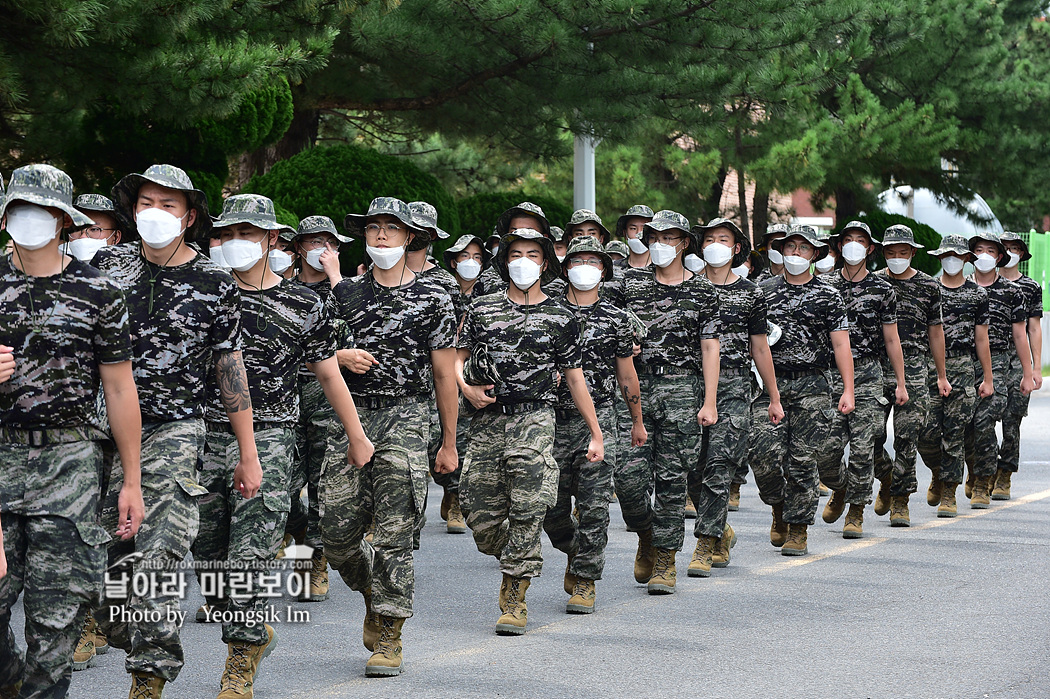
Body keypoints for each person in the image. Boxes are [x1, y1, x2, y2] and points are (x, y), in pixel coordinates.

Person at [193, 194, 373, 695]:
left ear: (273, 240)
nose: (234, 244)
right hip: (200, 435)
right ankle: (250, 627)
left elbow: (329, 374)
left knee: (250, 557)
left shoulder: (303, 303)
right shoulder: (203, 291)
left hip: (271, 436)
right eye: (226, 235)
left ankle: (242, 657)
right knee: (209, 555)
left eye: (247, 234)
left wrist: (356, 436)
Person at [93, 164, 256, 698]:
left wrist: (247, 453)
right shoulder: (107, 270)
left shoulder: (214, 282)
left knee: (159, 555)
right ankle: (125, 635)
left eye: (168, 205)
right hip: (98, 435)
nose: (155, 214)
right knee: (102, 567)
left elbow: (229, 369)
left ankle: (149, 678)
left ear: (188, 217)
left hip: (174, 432)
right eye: (146, 203)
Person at [0, 164, 144, 697]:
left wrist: (131, 481)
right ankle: (9, 676)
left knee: (57, 612)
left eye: (39, 208)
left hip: (71, 462)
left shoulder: (98, 291)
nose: (27, 218)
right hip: (1, 456)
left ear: (63, 218)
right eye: (17, 208)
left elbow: (121, 389)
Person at [324, 197, 459, 676]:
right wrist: (340, 356)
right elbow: (309, 352)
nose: (381, 237)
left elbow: (445, 375)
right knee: (336, 535)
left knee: (396, 531)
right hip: (351, 415)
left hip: (407, 414)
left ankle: (390, 631)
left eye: (391, 230)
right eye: (373, 228)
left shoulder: (434, 297)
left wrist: (448, 441)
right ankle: (371, 593)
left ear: (410, 238)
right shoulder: (340, 294)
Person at [457, 227, 603, 633]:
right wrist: (465, 387)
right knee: (479, 516)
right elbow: (457, 358)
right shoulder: (482, 309)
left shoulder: (561, 316)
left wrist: (595, 432)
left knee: (528, 505)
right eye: (516, 253)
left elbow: (575, 379)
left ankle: (515, 596)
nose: (523, 261)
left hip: (535, 417)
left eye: (533, 255)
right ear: (504, 260)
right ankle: (533, 553)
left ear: (544, 263)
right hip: (487, 420)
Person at [543, 235, 645, 613]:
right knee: (550, 506)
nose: (584, 267)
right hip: (550, 418)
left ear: (603, 269)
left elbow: (627, 375)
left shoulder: (617, 318)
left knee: (594, 504)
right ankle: (572, 549)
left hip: (600, 418)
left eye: (593, 260)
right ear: (565, 267)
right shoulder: (548, 311)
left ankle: (586, 580)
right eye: (577, 260)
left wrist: (636, 421)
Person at [620, 210, 720, 592]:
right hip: (635, 390)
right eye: (655, 236)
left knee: (672, 480)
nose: (660, 243)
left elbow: (710, 348)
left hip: (682, 389)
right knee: (628, 478)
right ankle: (645, 533)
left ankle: (664, 558)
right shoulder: (630, 284)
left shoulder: (702, 291)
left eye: (669, 237)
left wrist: (709, 401)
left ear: (683, 243)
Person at [750, 225, 854, 556]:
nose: (796, 253)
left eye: (803, 248)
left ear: (815, 254)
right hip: (771, 384)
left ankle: (797, 528)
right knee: (764, 455)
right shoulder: (762, 291)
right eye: (791, 247)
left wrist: (848, 389)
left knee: (803, 459)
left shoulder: (829, 295)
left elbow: (841, 345)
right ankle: (778, 507)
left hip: (813, 385)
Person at [686, 218, 781, 575]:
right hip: (691, 386)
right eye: (709, 239)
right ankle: (721, 529)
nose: (714, 245)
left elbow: (760, 347)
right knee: (692, 467)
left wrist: (773, 396)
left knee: (719, 465)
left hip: (735, 387)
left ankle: (705, 542)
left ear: (736, 247)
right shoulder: (689, 289)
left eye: (722, 239)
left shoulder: (750, 293)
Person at [820, 222, 908, 539]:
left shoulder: (883, 290)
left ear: (870, 249)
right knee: (825, 453)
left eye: (861, 240)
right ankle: (841, 489)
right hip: (828, 375)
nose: (854, 245)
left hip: (869, 374)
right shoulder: (823, 286)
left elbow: (892, 339)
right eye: (848, 240)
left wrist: (900, 382)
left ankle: (856, 511)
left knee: (862, 448)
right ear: (839, 246)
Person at [285, 215, 352, 602]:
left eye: (328, 242)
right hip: (285, 397)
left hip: (327, 401)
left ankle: (311, 562)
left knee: (322, 486)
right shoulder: (283, 290)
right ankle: (294, 532)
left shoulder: (346, 293)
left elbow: (362, 338)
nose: (319, 248)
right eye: (312, 242)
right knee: (285, 490)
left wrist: (337, 278)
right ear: (297, 248)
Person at [873, 225, 949, 526]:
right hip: (876, 368)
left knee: (908, 435)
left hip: (916, 367)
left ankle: (901, 501)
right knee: (871, 436)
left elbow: (936, 333)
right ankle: (888, 478)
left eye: (902, 253)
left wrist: (941, 375)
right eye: (890, 253)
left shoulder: (929, 287)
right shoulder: (874, 283)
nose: (896, 257)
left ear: (913, 253)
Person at [918, 235, 993, 517]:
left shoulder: (977, 294)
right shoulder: (929, 289)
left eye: (957, 255)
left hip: (962, 367)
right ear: (939, 258)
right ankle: (938, 472)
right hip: (928, 368)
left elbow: (981, 339)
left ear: (965, 259)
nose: (951, 259)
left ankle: (949, 491)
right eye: (947, 254)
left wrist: (987, 377)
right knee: (925, 432)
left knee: (955, 432)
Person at [964, 232, 1035, 507]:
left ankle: (984, 481)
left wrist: (1028, 374)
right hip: (962, 364)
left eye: (990, 251)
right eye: (979, 249)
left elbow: (1021, 336)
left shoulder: (1012, 292)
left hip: (999, 363)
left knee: (985, 422)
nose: (984, 255)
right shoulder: (960, 287)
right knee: (966, 427)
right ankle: (976, 469)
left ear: (999, 257)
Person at [406, 202, 464, 537]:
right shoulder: (379, 274)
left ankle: (452, 493)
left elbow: (455, 333)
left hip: (435, 376)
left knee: (442, 441)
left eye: (423, 231)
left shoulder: (444, 281)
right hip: (398, 380)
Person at [992, 231, 1043, 498]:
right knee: (982, 420)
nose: (1010, 252)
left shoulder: (1031, 287)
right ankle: (983, 469)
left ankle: (1005, 473)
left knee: (1012, 420)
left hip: (1018, 362)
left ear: (1022, 254)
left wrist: (1035, 368)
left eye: (1015, 248)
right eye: (1005, 248)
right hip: (991, 360)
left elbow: (1034, 329)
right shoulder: (985, 282)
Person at [65, 194, 124, 263]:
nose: (83, 237)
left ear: (115, 237)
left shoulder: (129, 270)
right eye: (77, 228)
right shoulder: (55, 267)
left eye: (94, 229)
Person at [615, 205, 654, 270]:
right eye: (633, 228)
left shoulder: (662, 270)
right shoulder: (613, 269)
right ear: (625, 234)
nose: (639, 233)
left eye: (644, 228)